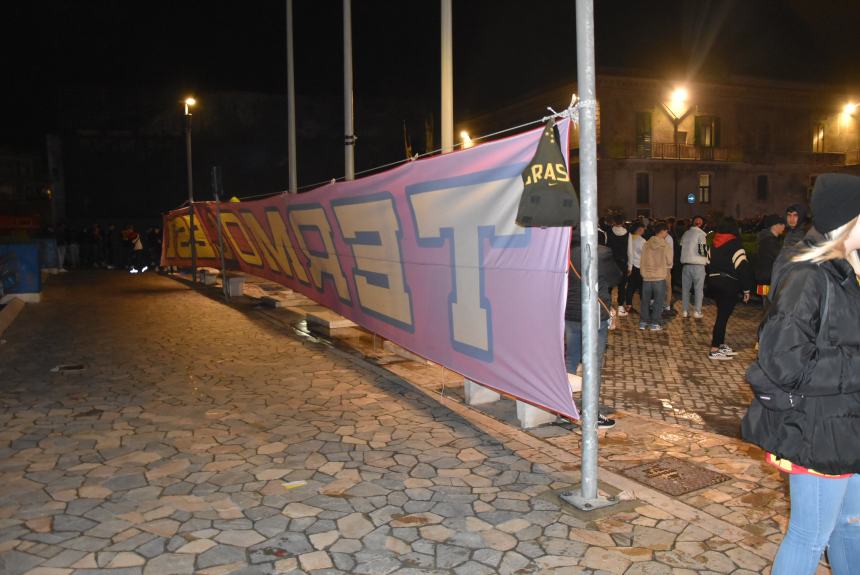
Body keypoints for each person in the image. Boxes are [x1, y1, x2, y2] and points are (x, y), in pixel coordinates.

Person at [741, 173, 860, 575]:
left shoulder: (848, 273)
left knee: (851, 528)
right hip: (816, 427)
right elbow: (783, 362)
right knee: (811, 536)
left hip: (848, 423)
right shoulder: (808, 276)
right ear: (847, 221)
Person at [565, 233, 622, 429]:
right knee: (593, 364)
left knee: (571, 359)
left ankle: (566, 407)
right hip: (594, 315)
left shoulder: (566, 253)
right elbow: (616, 277)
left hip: (571, 313)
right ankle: (591, 413)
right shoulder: (601, 253)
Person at [707, 218, 753, 359]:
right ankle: (715, 349)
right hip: (729, 284)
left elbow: (707, 263)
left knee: (722, 314)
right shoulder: (736, 245)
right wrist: (747, 289)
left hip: (714, 282)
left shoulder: (713, 244)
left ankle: (720, 345)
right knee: (722, 317)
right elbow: (742, 268)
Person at [638, 222, 673, 331]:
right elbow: (669, 261)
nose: (667, 233)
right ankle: (654, 323)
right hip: (659, 276)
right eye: (666, 231)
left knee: (645, 300)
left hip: (646, 276)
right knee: (658, 301)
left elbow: (641, 259)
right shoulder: (665, 245)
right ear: (662, 231)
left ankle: (643, 322)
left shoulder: (646, 243)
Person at [679, 215, 709, 318]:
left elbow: (681, 246)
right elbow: (702, 252)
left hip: (686, 265)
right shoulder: (701, 234)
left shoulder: (686, 233)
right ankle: (697, 311)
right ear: (702, 224)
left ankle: (685, 310)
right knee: (698, 290)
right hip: (698, 265)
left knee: (686, 289)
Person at [753, 214, 785, 301]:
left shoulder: (766, 239)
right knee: (768, 305)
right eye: (781, 224)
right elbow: (781, 258)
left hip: (763, 278)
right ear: (774, 226)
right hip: (768, 279)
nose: (784, 226)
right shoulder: (770, 241)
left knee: (766, 304)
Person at [606, 215, 629, 315]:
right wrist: (630, 265)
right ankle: (620, 307)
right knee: (622, 285)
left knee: (609, 285)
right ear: (623, 222)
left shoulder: (608, 232)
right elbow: (630, 251)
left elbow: (606, 247)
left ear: (614, 221)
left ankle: (608, 306)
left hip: (611, 261)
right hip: (623, 262)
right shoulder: (628, 234)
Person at [624, 221, 646, 315]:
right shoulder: (642, 241)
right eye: (643, 229)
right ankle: (644, 306)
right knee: (642, 287)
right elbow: (644, 254)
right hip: (638, 265)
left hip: (629, 265)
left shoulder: (628, 238)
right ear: (639, 230)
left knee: (630, 287)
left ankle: (628, 305)